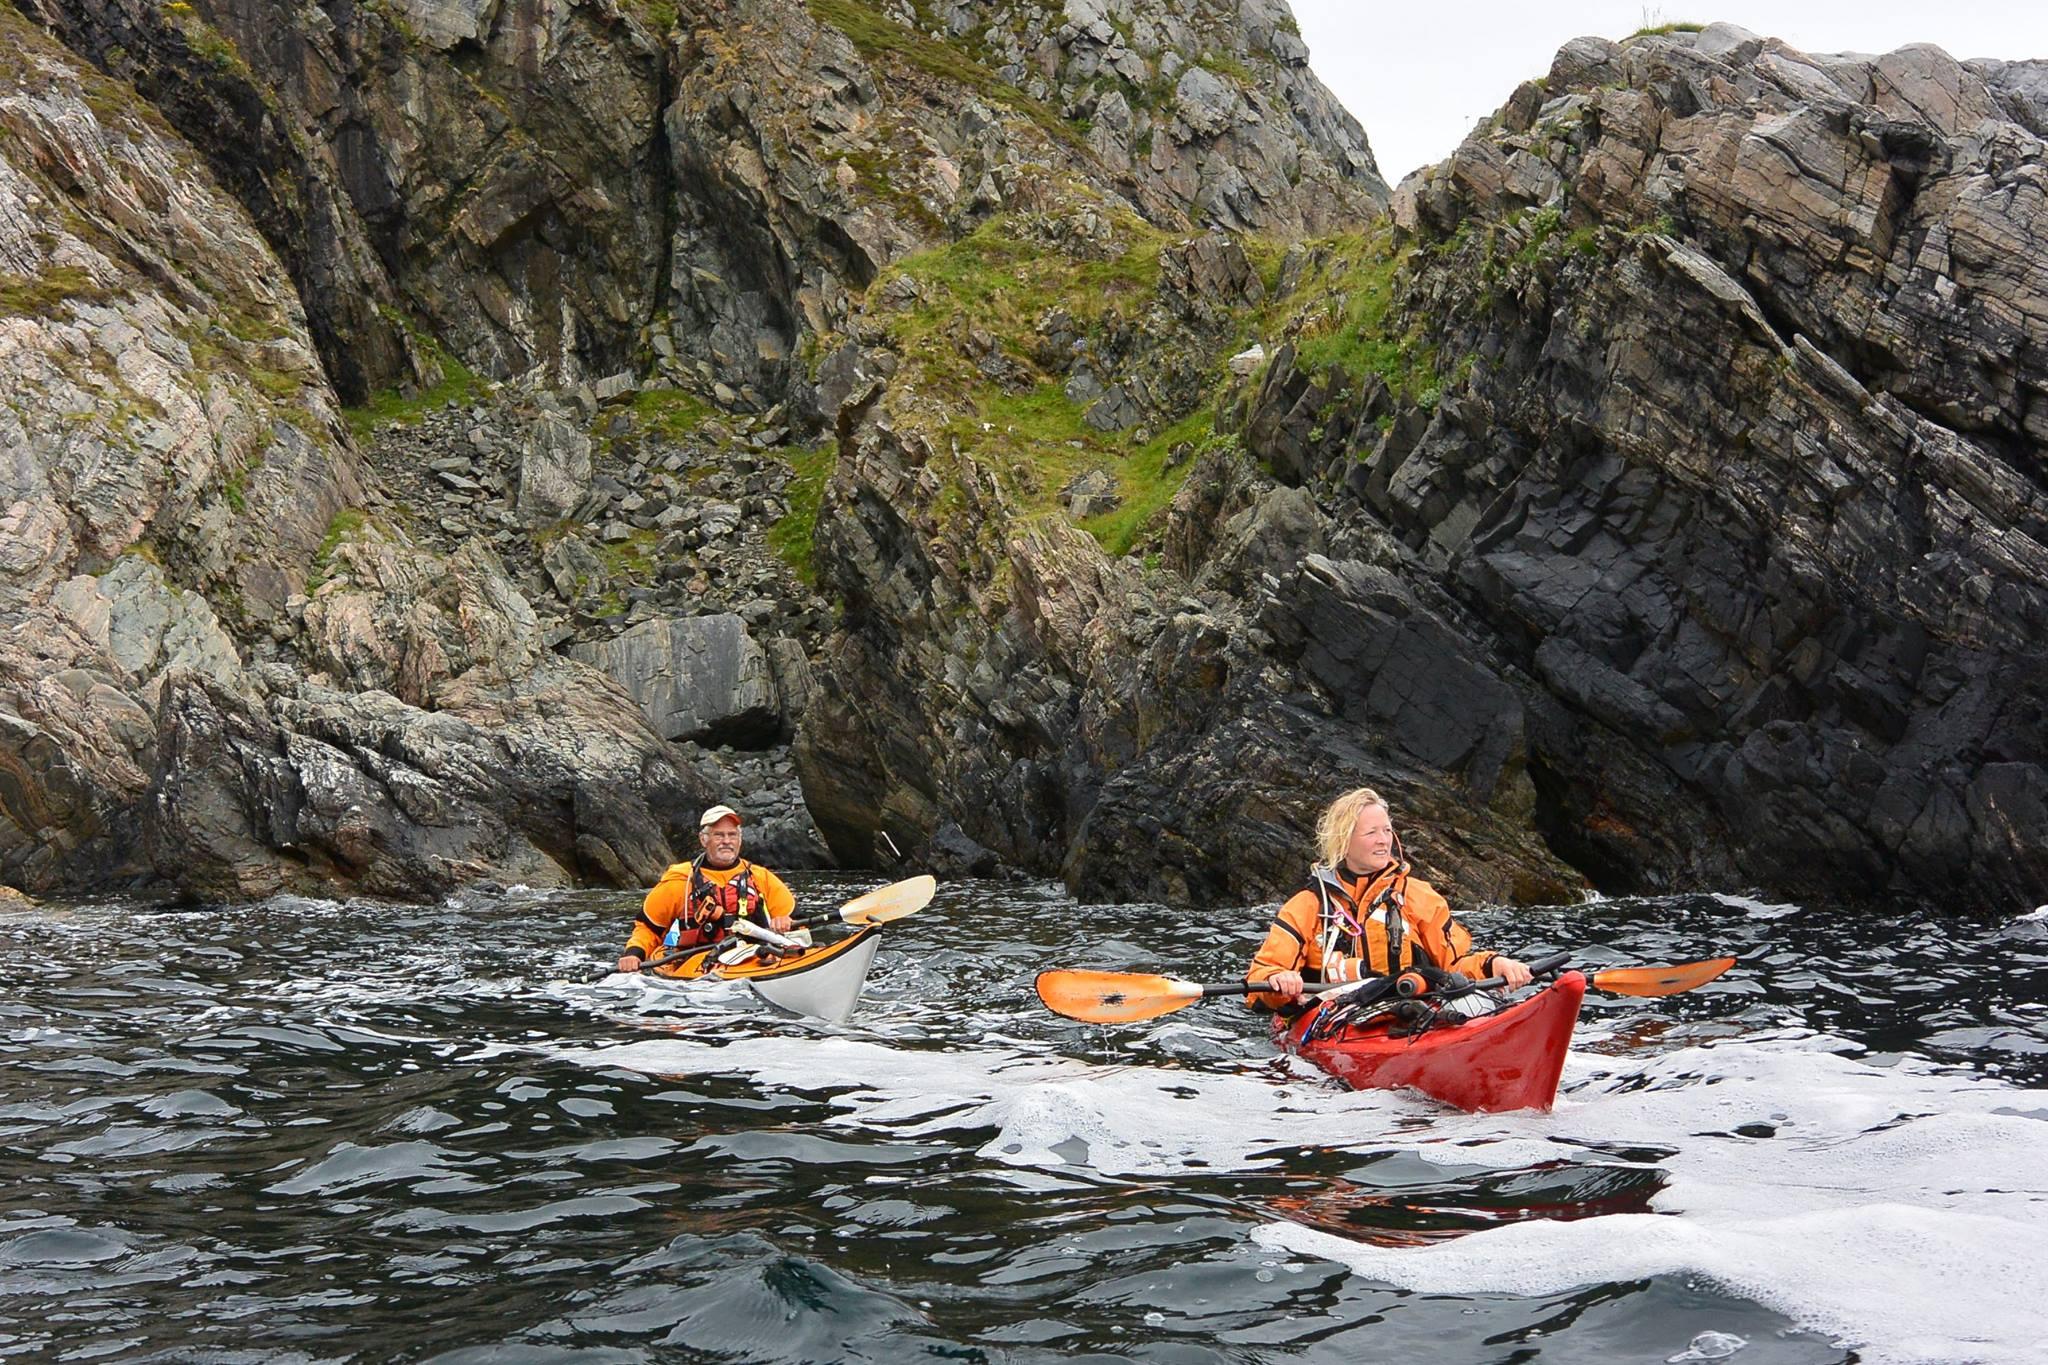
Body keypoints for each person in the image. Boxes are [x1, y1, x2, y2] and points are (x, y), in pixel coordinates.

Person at [1247, 787, 1533, 1014]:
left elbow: (1454, 964)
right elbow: (1259, 980)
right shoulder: (1307, 906)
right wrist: (1279, 981)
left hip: (1411, 1012)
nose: (1384, 840)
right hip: (1335, 1017)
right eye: (1371, 833)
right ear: (1344, 840)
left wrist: (1493, 964)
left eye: (1386, 830)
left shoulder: (1418, 896)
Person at [616, 805, 798, 973]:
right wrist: (633, 954)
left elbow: (797, 921)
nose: (727, 841)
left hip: (753, 954)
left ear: (740, 840)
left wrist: (784, 921)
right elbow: (648, 928)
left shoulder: (760, 877)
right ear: (704, 840)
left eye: (732, 835)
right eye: (719, 835)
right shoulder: (680, 880)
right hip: (695, 958)